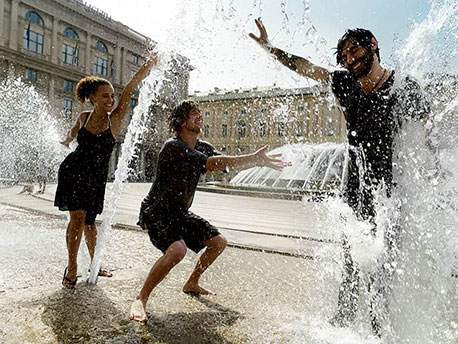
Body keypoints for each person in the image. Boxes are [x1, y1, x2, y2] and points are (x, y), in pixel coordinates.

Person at [249, 18, 430, 335]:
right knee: (350, 259)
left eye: (354, 50)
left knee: (383, 267)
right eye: (344, 56)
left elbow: (428, 134)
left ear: (373, 44)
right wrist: (269, 48)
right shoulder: (346, 84)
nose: (349, 58)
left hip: (391, 194)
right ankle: (342, 324)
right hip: (355, 189)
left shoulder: (403, 87)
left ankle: (380, 330)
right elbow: (306, 67)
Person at [129, 101, 289, 322]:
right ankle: (141, 298)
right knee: (177, 250)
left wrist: (259, 163)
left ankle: (192, 282)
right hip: (156, 212)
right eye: (193, 113)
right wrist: (254, 157)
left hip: (180, 212)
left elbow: (225, 164)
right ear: (181, 122)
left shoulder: (203, 145)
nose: (199, 116)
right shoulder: (173, 146)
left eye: (199, 113)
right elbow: (212, 164)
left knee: (218, 242)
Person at [55, 51, 158, 289]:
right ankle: (72, 267)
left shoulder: (116, 118)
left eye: (112, 96)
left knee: (90, 222)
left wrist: (148, 65)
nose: (110, 100)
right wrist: (62, 144)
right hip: (73, 171)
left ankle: (95, 263)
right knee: (77, 218)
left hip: (95, 179)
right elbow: (69, 138)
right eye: (105, 96)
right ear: (92, 97)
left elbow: (131, 87)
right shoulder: (83, 117)